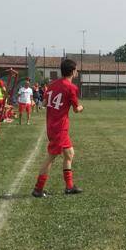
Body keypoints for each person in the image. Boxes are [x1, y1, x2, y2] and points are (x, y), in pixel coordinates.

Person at [32, 59, 84, 197]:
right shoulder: (71, 87)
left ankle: (69, 186)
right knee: (51, 157)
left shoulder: (52, 85)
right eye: (76, 69)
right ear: (73, 71)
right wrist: (82, 107)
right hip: (59, 127)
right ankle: (38, 189)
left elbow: (44, 102)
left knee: (69, 153)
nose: (77, 71)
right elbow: (76, 109)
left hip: (52, 125)